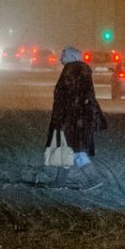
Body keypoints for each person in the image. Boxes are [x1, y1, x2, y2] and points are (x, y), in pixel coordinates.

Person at [47, 45, 107, 186]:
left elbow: (70, 97)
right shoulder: (79, 71)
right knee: (69, 148)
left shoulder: (71, 71)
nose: (61, 58)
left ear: (72, 57)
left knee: (74, 149)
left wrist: (65, 119)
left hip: (73, 119)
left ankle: (94, 179)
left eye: (64, 55)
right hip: (79, 118)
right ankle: (59, 181)